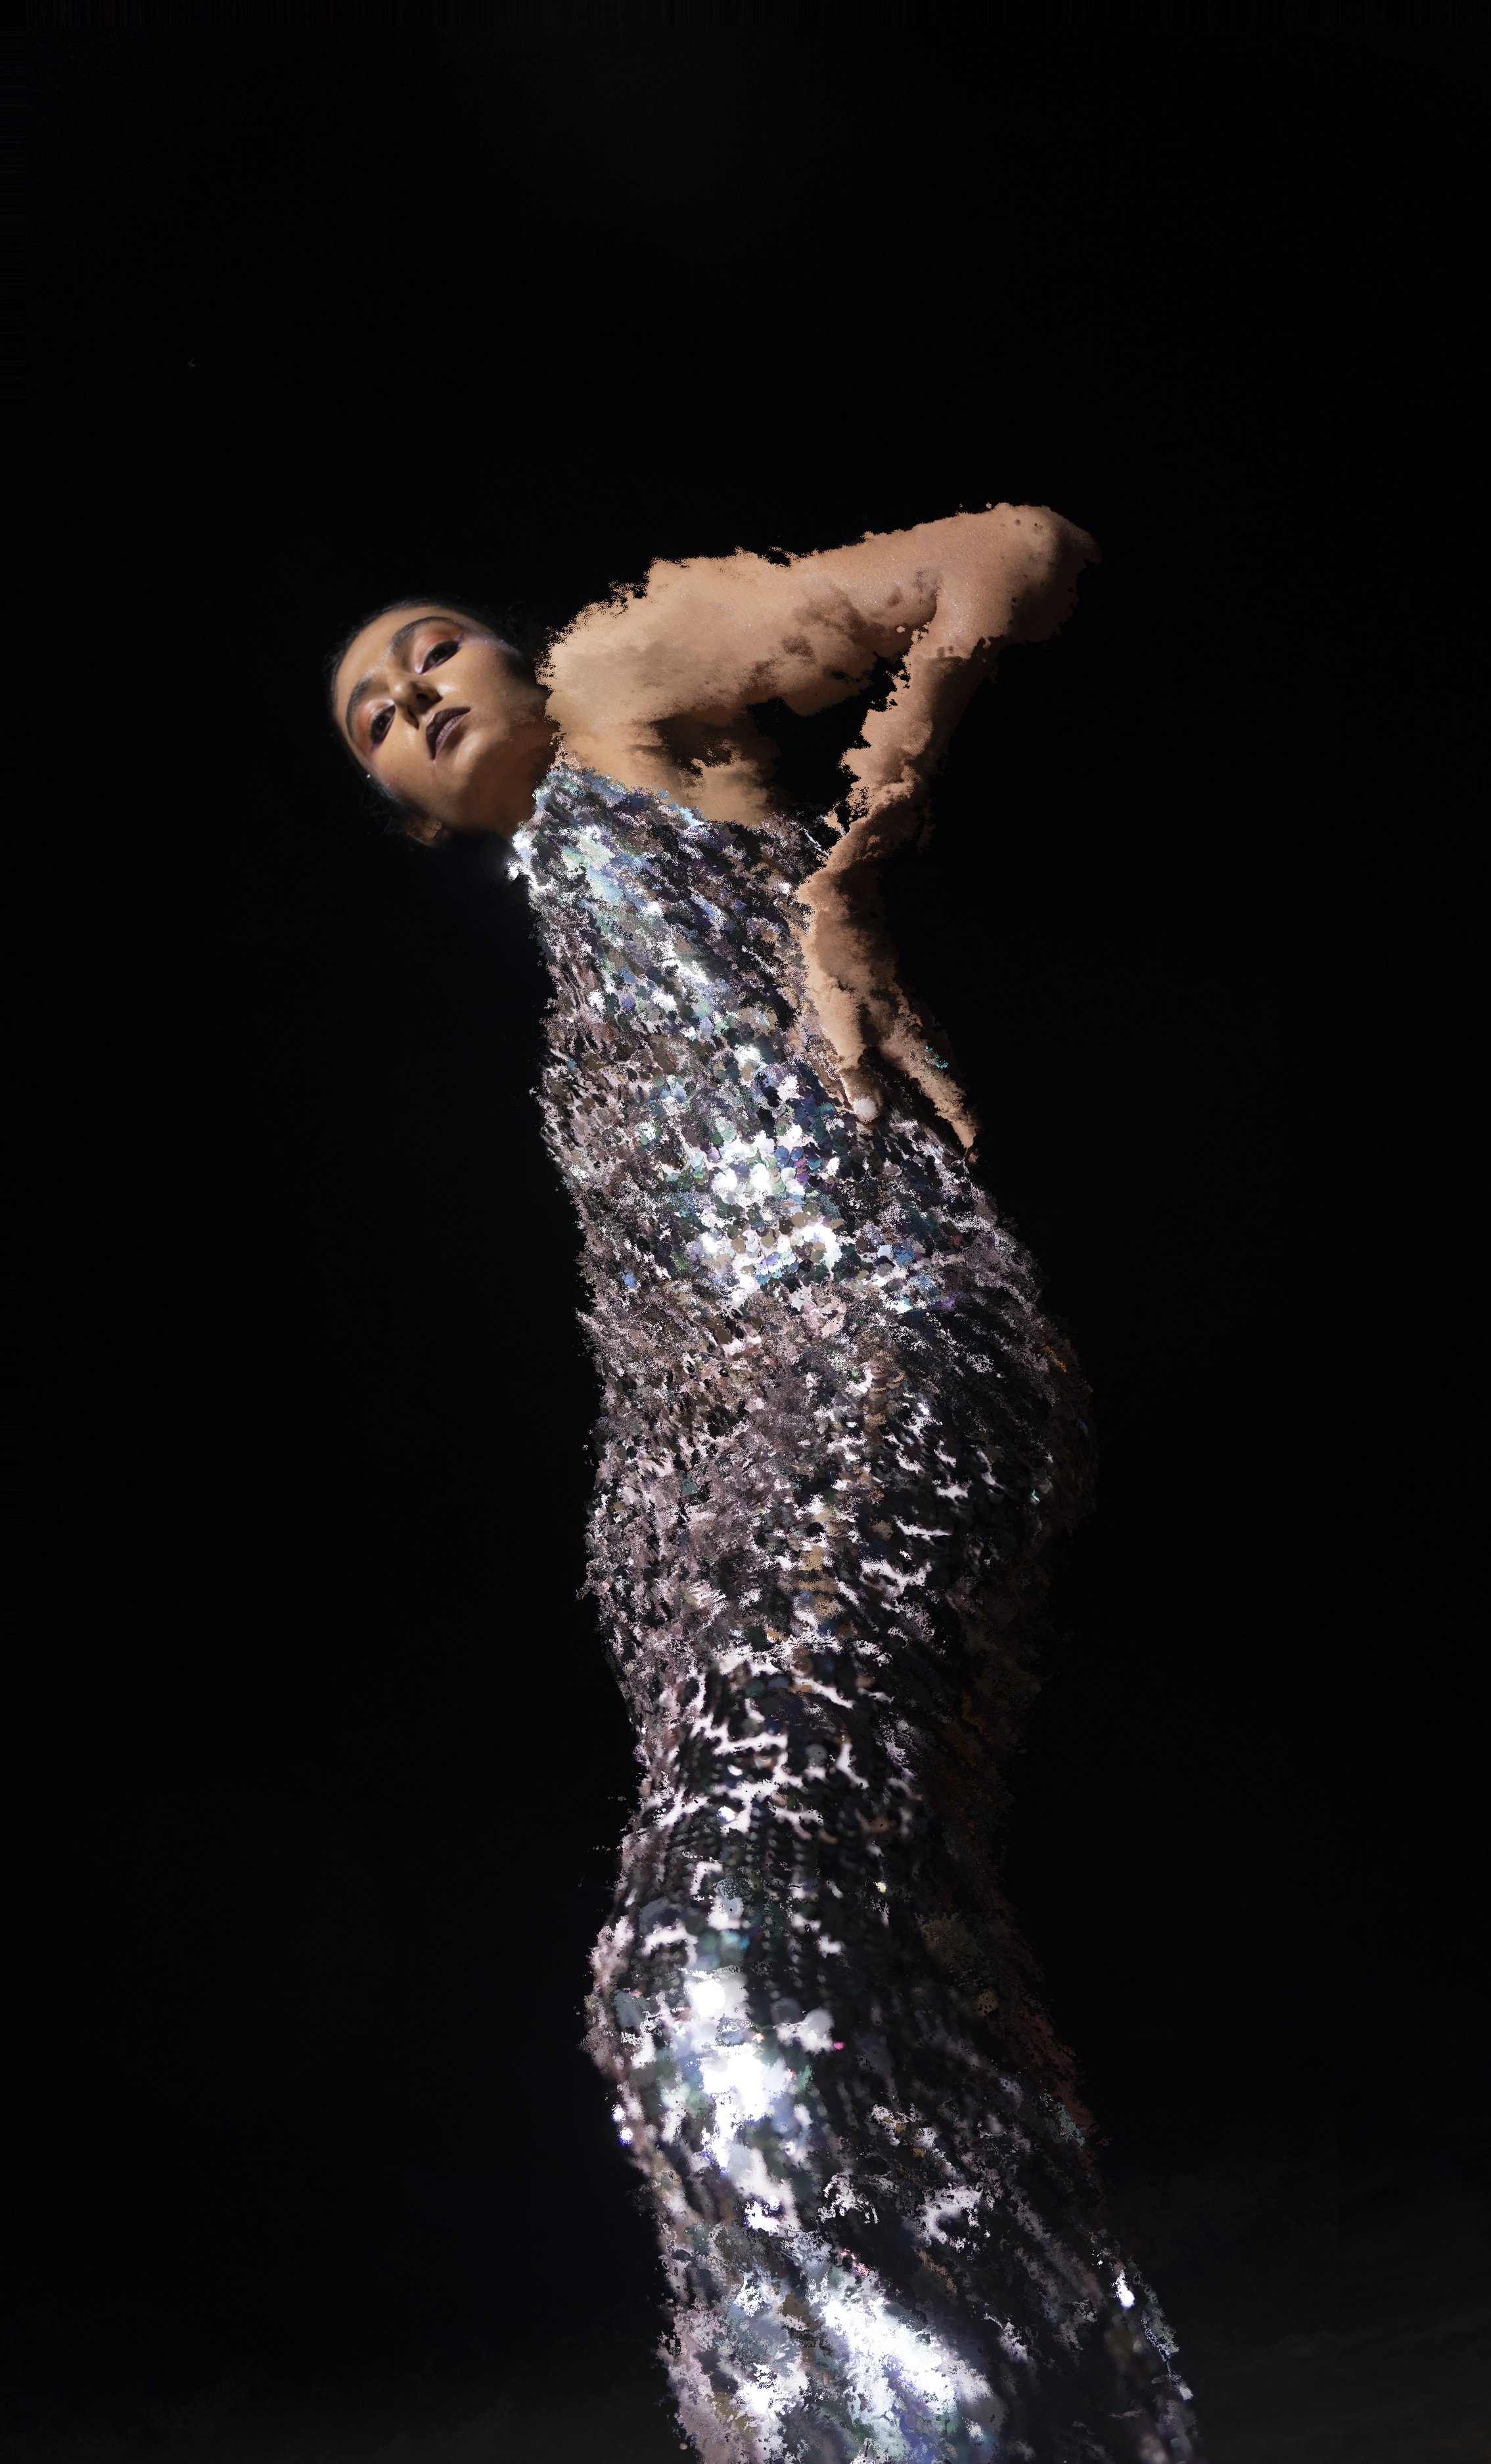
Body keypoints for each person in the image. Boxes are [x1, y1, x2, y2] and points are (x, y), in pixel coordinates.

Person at [331, 510, 1204, 2464]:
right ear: (401, 805)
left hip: (871, 1359)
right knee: (868, 1983)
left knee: (711, 1961)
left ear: (517, 648)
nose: (412, 696)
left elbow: (1017, 552)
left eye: (429, 649)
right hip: (719, 1474)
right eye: (377, 718)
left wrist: (849, 876)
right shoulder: (560, 936)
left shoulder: (628, 691)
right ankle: (1035, 2418)